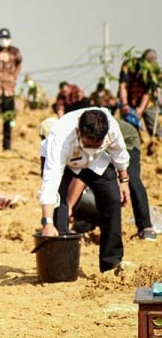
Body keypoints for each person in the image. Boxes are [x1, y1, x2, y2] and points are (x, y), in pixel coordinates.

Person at [39, 108, 130, 273]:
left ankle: (111, 263)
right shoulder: (61, 137)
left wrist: (124, 181)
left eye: (97, 144)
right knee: (60, 208)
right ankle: (61, 266)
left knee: (112, 200)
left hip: (96, 163)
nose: (92, 148)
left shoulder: (111, 128)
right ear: (78, 131)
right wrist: (47, 222)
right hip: (67, 162)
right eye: (88, 144)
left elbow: (119, 152)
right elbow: (51, 181)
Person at [118, 48, 161, 139]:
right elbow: (123, 86)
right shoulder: (128, 66)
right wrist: (125, 104)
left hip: (146, 103)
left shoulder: (152, 71)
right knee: (129, 131)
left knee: (155, 128)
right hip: (129, 101)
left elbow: (148, 92)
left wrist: (141, 109)